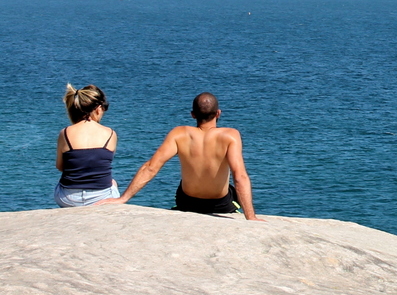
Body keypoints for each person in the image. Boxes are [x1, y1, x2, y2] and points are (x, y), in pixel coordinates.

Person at [99, 92, 262, 221]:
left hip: (187, 202)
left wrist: (123, 198)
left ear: (193, 114)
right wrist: (251, 216)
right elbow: (239, 176)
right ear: (218, 113)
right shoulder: (230, 135)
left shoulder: (179, 134)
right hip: (220, 205)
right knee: (231, 191)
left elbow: (151, 167)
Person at [55, 84, 120, 207]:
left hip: (68, 198)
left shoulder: (65, 133)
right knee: (113, 183)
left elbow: (60, 166)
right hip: (101, 198)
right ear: (98, 108)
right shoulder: (110, 134)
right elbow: (100, 166)